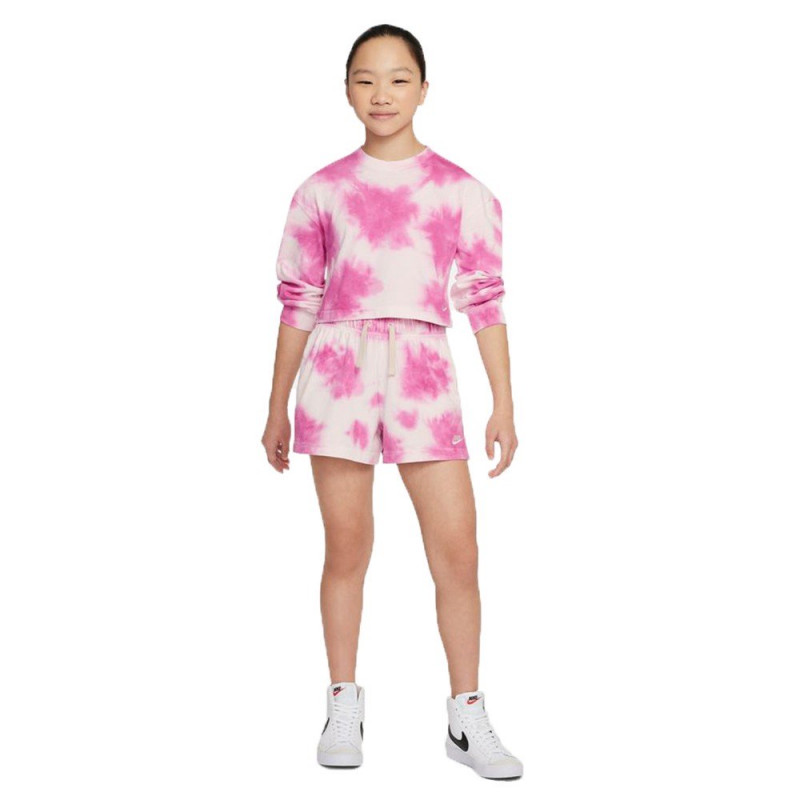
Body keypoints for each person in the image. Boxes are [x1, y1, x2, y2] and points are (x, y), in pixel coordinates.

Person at [262, 24, 522, 781]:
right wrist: (276, 405)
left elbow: (484, 298)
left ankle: (467, 716)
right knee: (347, 548)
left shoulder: (462, 191)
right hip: (337, 372)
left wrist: (503, 403)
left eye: (399, 78)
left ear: (424, 89)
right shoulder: (320, 191)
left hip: (423, 376)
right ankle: (343, 704)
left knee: (458, 553)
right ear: (347, 90)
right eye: (366, 79)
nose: (382, 94)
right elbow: (299, 300)